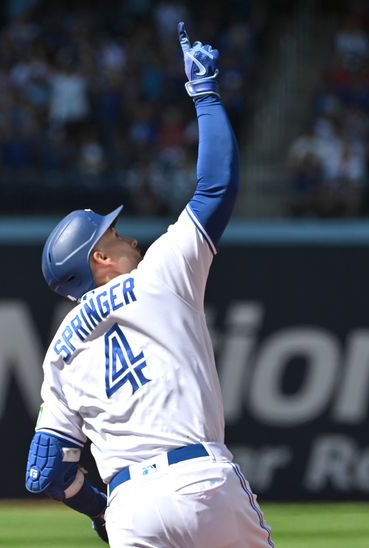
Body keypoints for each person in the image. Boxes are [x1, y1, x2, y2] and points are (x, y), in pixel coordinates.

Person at [25, 23, 274, 547]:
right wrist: (203, 94)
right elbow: (216, 187)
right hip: (202, 480)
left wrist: (100, 511)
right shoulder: (159, 275)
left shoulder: (59, 352)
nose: (127, 236)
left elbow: (44, 470)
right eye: (113, 234)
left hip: (131, 507)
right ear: (98, 258)